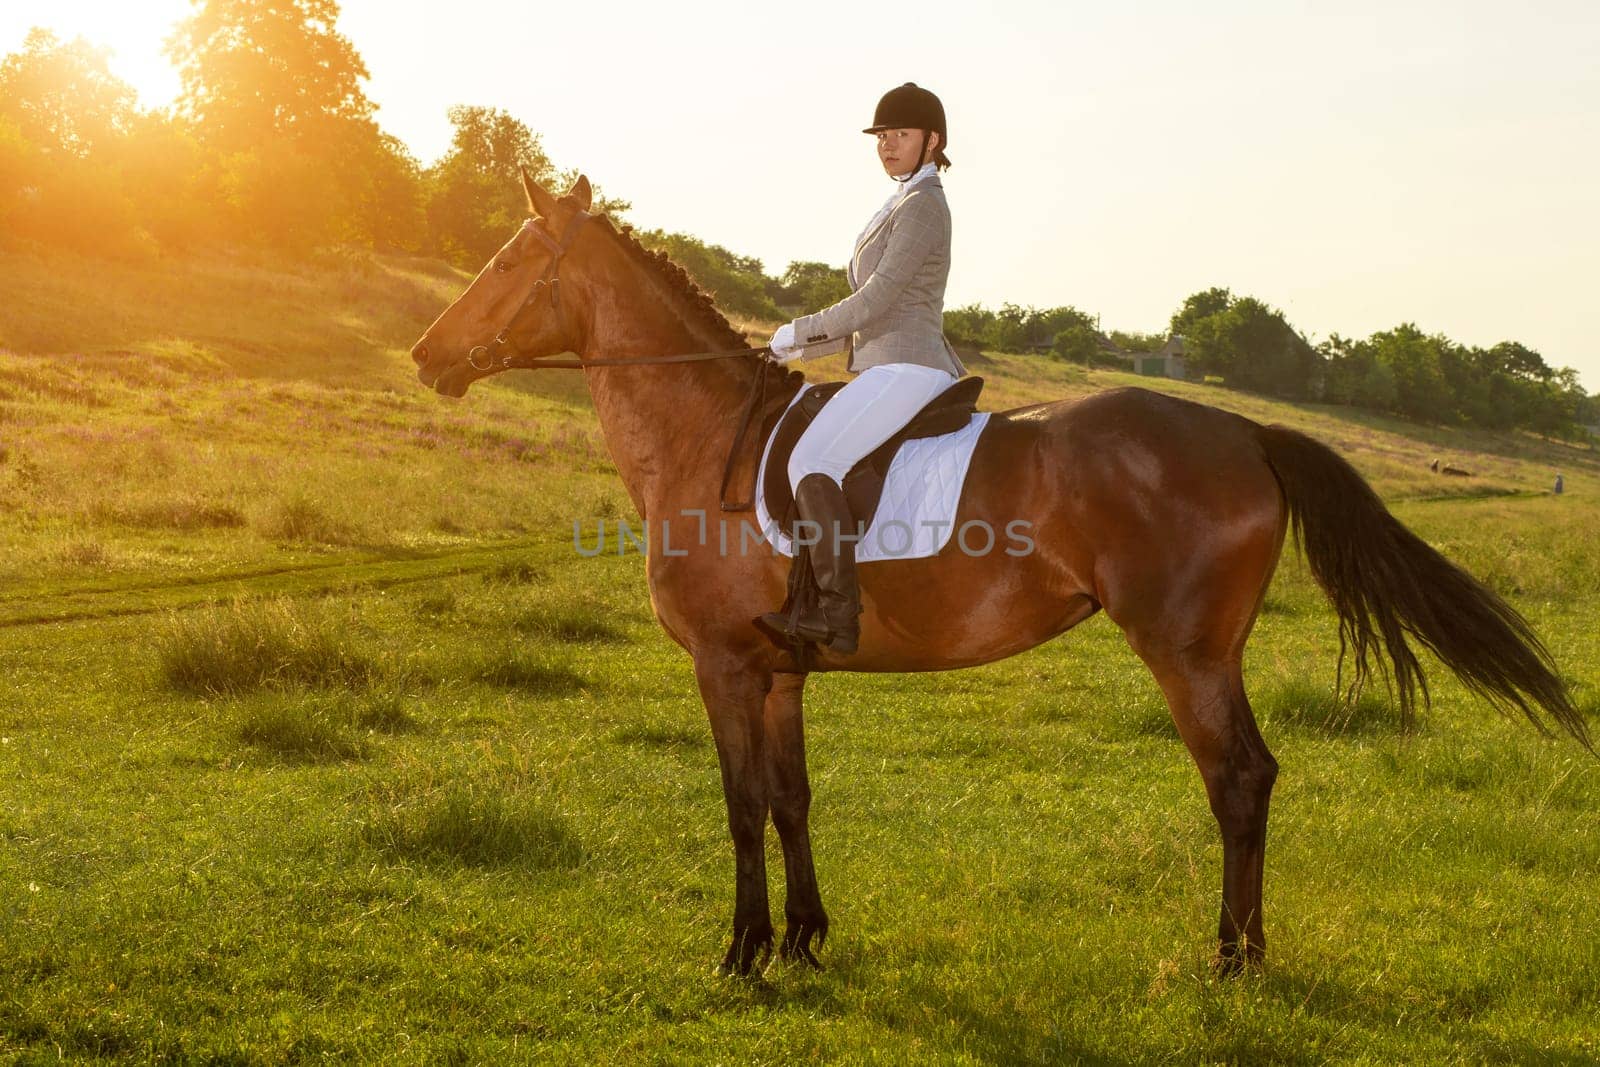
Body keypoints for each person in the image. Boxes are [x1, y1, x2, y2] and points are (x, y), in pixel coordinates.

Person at [755, 82, 967, 656]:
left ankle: (837, 615)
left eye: (900, 134)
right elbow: (873, 313)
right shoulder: (901, 198)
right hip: (884, 362)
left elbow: (875, 301)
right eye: (881, 136)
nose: (887, 145)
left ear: (932, 141)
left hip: (909, 365)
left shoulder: (923, 203)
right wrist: (796, 352)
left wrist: (796, 333)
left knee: (812, 460)